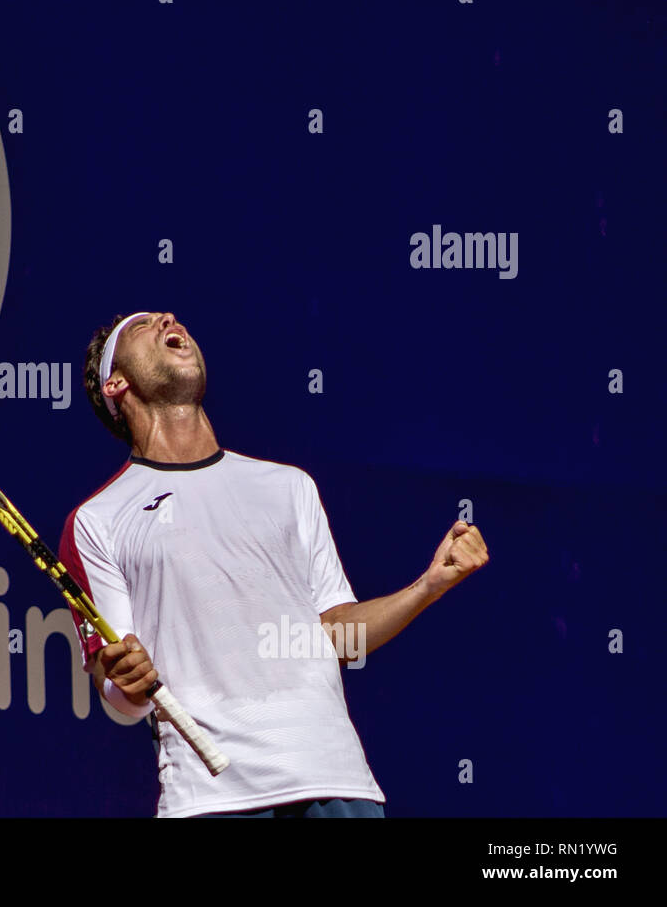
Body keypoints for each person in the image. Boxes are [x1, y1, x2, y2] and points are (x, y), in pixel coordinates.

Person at [58, 311, 489, 817]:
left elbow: (336, 638)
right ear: (116, 382)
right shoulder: (98, 521)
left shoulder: (289, 487)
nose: (168, 319)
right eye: (142, 325)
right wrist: (124, 681)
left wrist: (428, 586)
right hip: (213, 799)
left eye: (166, 317)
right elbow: (121, 696)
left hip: (337, 783)